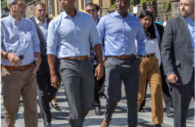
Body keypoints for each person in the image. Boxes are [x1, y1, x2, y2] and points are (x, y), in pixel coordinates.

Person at [47, 0, 104, 127]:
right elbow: (50, 50)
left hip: (86, 63)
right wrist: (53, 73)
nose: (61, 2)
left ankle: (73, 121)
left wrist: (100, 63)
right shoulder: (55, 23)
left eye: (64, 0)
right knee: (74, 104)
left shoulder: (87, 19)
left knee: (88, 102)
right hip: (67, 65)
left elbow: (96, 42)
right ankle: (75, 121)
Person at [97, 0, 146, 126]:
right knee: (113, 97)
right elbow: (97, 39)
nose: (119, 4)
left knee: (132, 99)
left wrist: (139, 56)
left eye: (122, 1)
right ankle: (107, 118)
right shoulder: (106, 19)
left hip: (131, 62)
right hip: (113, 62)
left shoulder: (135, 21)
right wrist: (102, 57)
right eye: (117, 1)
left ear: (128, 5)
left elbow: (141, 40)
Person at [1, 0, 41, 127]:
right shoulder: (2, 24)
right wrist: (8, 55)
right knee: (11, 110)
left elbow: (35, 45)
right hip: (10, 73)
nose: (24, 7)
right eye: (21, 5)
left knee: (32, 109)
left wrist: (38, 58)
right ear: (10, 6)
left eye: (25, 4)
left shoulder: (29, 24)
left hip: (30, 71)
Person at [161, 0, 194, 127]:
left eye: (186, 4)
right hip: (180, 75)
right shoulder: (172, 24)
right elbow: (165, 49)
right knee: (180, 116)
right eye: (181, 4)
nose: (182, 7)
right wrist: (169, 71)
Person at [30, 2, 60, 127]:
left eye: (43, 10)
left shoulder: (52, 22)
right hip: (39, 62)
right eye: (39, 10)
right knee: (42, 92)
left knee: (55, 86)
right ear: (34, 12)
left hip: (54, 61)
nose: (42, 13)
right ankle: (47, 121)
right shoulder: (30, 25)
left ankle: (43, 103)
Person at [137, 10, 163, 127]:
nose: (147, 22)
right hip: (140, 62)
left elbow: (157, 48)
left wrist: (158, 63)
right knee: (140, 94)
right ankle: (132, 116)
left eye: (149, 20)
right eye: (145, 19)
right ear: (140, 20)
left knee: (157, 90)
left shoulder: (154, 32)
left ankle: (157, 121)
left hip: (153, 62)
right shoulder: (135, 32)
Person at [148, 7, 174, 117]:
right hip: (144, 60)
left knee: (163, 83)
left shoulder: (159, 27)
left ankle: (169, 106)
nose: (150, 17)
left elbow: (164, 43)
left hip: (159, 60)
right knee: (142, 85)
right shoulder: (140, 28)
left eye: (152, 15)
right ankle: (139, 105)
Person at [85, 3, 105, 116]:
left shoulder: (102, 22)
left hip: (102, 55)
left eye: (93, 10)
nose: (91, 13)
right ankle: (97, 104)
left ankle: (93, 99)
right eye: (88, 11)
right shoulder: (83, 23)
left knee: (101, 80)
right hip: (89, 56)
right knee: (94, 81)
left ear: (97, 12)